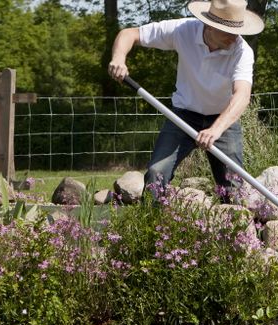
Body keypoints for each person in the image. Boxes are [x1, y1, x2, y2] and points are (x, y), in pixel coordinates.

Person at [107, 0, 264, 201]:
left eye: (237, 30)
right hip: (183, 116)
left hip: (222, 120)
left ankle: (236, 231)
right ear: (210, 25)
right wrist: (118, 58)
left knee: (233, 187)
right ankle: (154, 227)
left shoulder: (242, 51)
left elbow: (242, 96)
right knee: (156, 173)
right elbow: (130, 33)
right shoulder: (183, 30)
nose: (234, 37)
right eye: (228, 31)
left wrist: (215, 130)